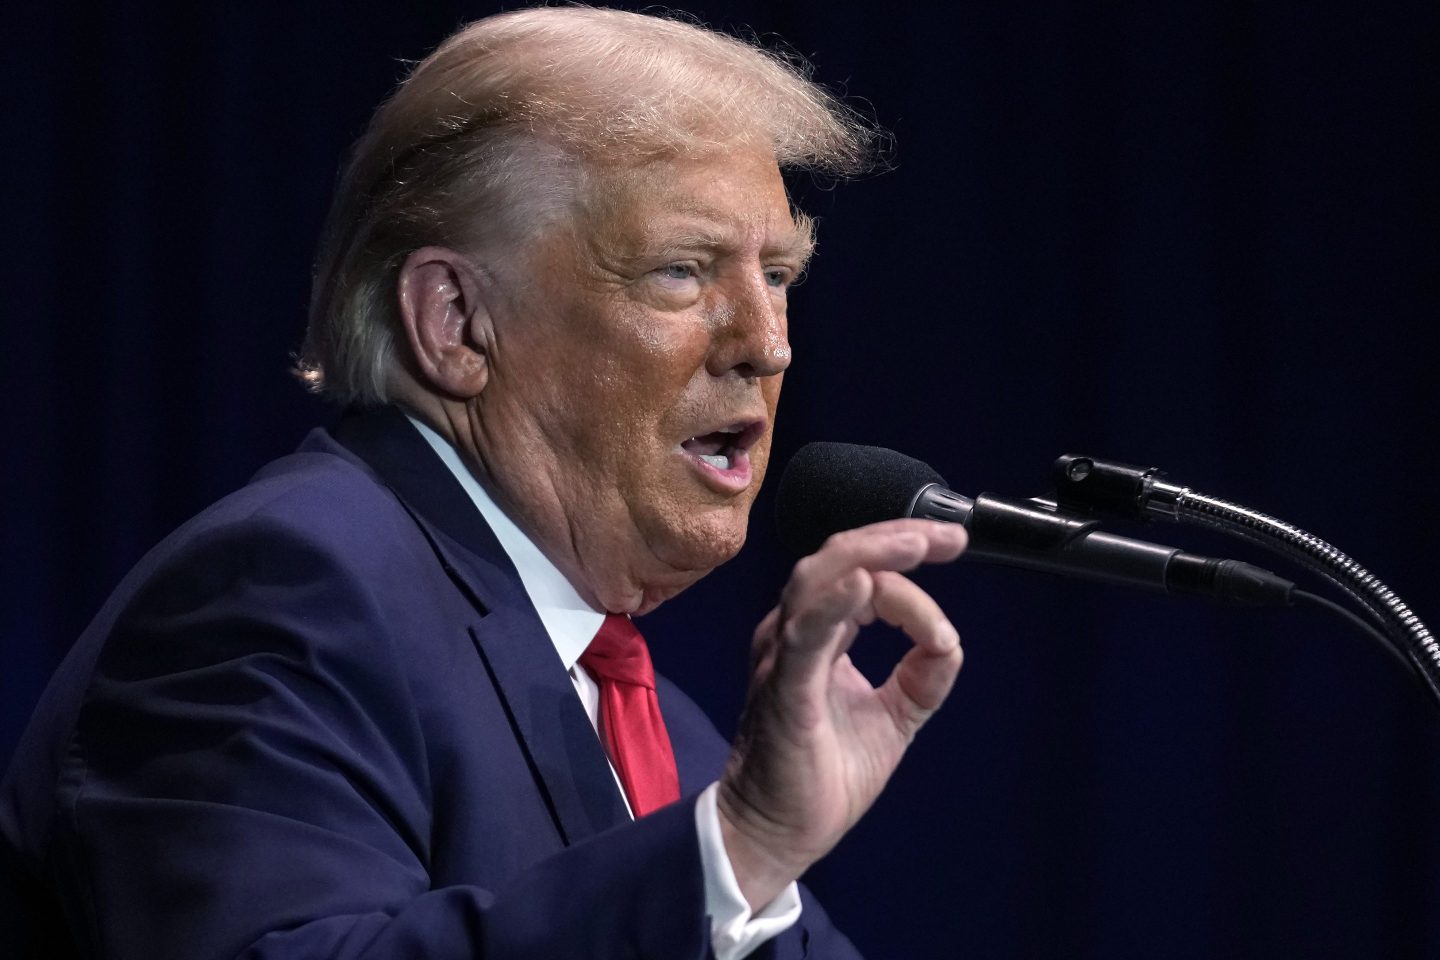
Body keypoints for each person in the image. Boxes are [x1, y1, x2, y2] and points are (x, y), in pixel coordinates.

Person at [0, 8, 968, 958]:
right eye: (681, 271)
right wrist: (740, 846)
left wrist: (742, 854)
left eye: (781, 275)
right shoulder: (288, 591)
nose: (766, 343)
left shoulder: (669, 731)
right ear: (456, 321)